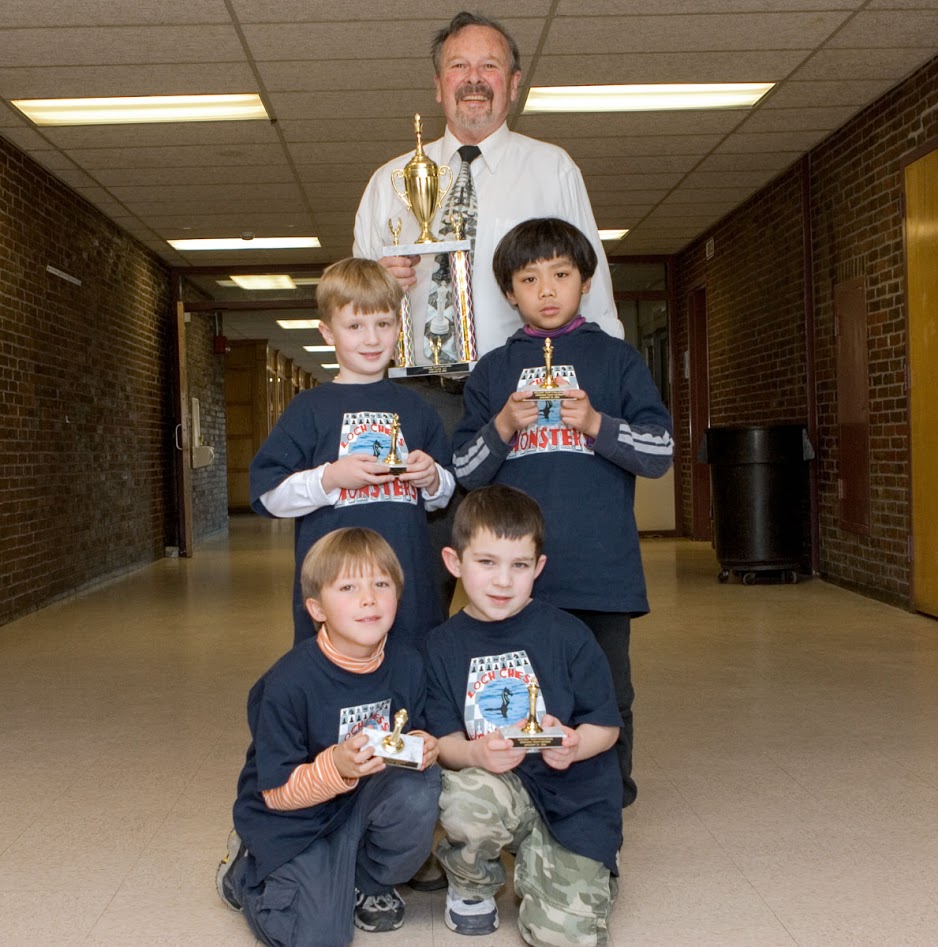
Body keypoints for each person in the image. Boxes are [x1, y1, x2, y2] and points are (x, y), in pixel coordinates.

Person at [451, 218, 674, 806]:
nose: (546, 290)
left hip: (601, 569)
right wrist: (503, 425)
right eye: (529, 278)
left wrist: (596, 424)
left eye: (561, 274)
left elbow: (660, 453)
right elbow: (465, 472)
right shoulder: (494, 370)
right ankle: (524, 804)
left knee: (607, 691)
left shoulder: (618, 360)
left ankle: (608, 802)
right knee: (520, 689)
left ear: (585, 279)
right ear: (508, 293)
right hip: (515, 577)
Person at [353, 10, 623, 373]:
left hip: (524, 388)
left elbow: (595, 295)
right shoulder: (390, 181)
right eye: (459, 66)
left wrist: (605, 381)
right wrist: (377, 285)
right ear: (438, 85)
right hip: (419, 392)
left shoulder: (553, 169)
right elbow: (352, 305)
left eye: (489, 66)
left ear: (514, 84)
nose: (474, 79)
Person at [216, 527, 441, 947]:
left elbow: (411, 732)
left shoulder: (409, 664)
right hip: (294, 817)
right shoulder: (287, 684)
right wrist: (335, 765)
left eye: (381, 583)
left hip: (363, 804)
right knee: (320, 937)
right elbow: (277, 793)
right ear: (316, 608)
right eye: (349, 587)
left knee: (422, 787)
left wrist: (425, 745)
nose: (369, 598)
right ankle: (248, 871)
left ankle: (366, 880)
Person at [425, 485, 623, 945]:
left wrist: (575, 745)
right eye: (486, 562)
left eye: (519, 566)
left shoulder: (570, 636)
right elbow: (443, 742)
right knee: (466, 799)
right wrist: (474, 753)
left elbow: (607, 726)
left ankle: (569, 865)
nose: (502, 581)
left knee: (564, 938)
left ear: (539, 567)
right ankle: (472, 883)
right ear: (455, 563)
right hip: (497, 786)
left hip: (573, 797)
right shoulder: (438, 648)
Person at [249, 257, 455, 646]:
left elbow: (442, 495)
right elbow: (268, 495)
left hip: (406, 585)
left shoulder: (417, 408)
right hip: (335, 588)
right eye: (355, 326)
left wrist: (432, 478)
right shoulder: (309, 409)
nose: (372, 339)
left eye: (384, 324)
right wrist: (329, 479)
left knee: (412, 680)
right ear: (328, 333)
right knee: (337, 687)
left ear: (399, 325)